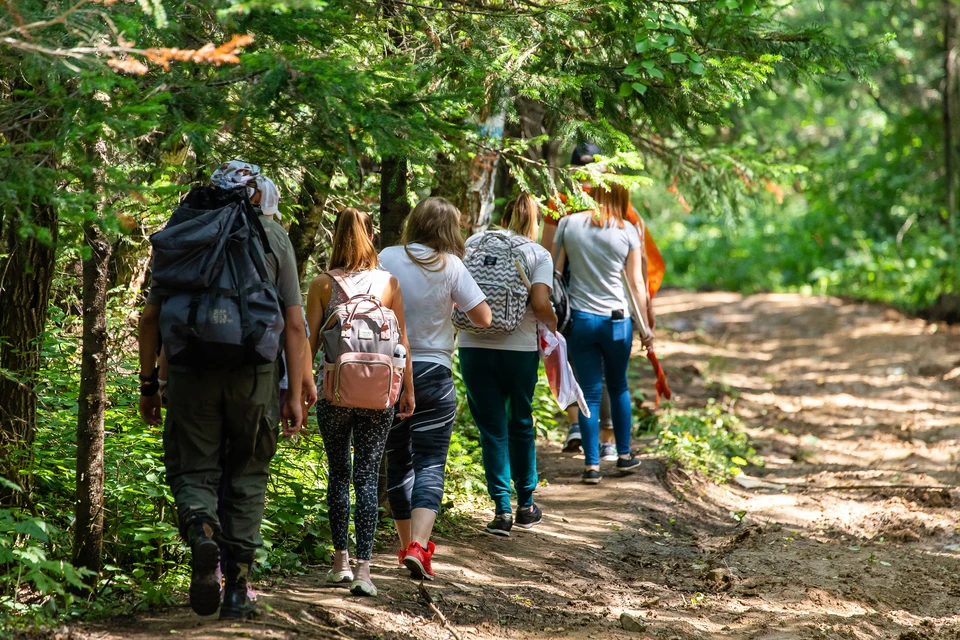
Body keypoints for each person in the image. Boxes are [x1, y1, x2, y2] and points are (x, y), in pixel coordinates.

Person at [138, 160, 306, 620]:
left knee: (194, 469)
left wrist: (149, 384)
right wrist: (294, 392)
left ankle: (202, 533)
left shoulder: (183, 230)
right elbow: (294, 324)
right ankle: (237, 590)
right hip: (255, 375)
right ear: (255, 194)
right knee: (248, 475)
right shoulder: (273, 237)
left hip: (190, 373)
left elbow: (151, 318)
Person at [378, 197, 492, 580]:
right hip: (435, 374)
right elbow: (484, 316)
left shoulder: (388, 256)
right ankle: (418, 547)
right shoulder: (451, 266)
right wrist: (451, 310)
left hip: (390, 372)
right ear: (450, 230)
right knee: (429, 462)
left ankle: (406, 545)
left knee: (399, 460)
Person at [305, 207, 416, 597]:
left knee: (339, 473)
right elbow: (402, 344)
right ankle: (366, 571)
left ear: (336, 236)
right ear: (371, 237)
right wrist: (408, 390)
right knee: (367, 476)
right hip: (380, 394)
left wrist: (304, 391)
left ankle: (340, 563)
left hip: (335, 393)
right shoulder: (388, 283)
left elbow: (310, 343)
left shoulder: (321, 284)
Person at [541, 142, 658, 460]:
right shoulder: (621, 214)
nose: (587, 177)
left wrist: (545, 301)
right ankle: (606, 443)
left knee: (582, 370)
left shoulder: (563, 208)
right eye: (583, 169)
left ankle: (590, 441)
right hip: (609, 309)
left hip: (572, 303)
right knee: (608, 378)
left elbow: (548, 260)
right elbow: (638, 275)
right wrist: (646, 317)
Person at [458, 194, 558, 535]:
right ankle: (526, 504)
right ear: (535, 220)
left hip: (473, 346)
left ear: (502, 216)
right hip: (519, 350)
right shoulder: (537, 253)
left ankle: (501, 511)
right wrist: (555, 324)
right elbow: (541, 302)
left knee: (492, 430)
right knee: (520, 422)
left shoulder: (474, 243)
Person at [554, 182, 653, 484]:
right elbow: (636, 284)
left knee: (589, 393)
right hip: (617, 321)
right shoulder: (627, 230)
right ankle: (624, 456)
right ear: (622, 197)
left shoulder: (568, 224)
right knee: (619, 386)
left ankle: (592, 466)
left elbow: (556, 274)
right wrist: (646, 327)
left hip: (580, 321)